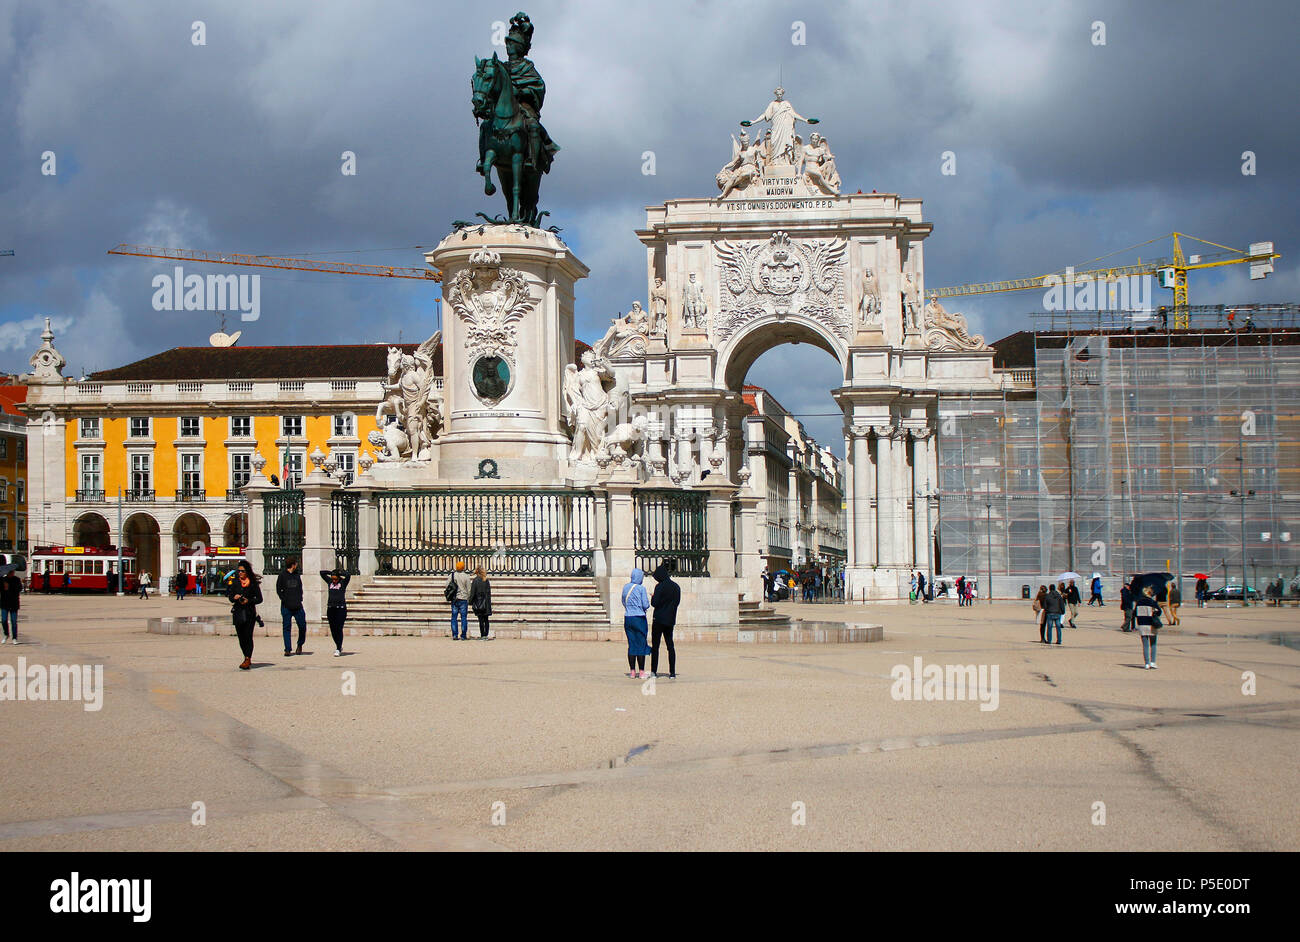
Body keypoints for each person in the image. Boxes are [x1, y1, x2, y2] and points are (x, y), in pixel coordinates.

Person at [226, 560, 263, 671]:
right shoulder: (236, 583)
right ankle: (246, 655)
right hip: (238, 612)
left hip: (249, 613)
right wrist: (235, 597)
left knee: (248, 636)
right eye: (239, 571)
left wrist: (249, 601)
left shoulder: (253, 583)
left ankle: (247, 658)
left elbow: (260, 599)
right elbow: (230, 597)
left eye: (242, 571)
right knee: (241, 637)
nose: (240, 573)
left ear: (247, 572)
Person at [650, 561, 680, 678]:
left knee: (655, 646)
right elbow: (677, 602)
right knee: (670, 646)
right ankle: (672, 672)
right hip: (670, 619)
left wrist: (653, 597)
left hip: (658, 619)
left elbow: (654, 603)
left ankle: (654, 671)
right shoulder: (676, 587)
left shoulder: (659, 587)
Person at [621, 568, 652, 679]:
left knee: (632, 644)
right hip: (639, 617)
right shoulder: (641, 588)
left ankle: (632, 671)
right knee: (641, 644)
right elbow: (645, 605)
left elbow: (623, 600)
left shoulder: (626, 587)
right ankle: (642, 671)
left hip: (628, 617)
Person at [276, 558, 307, 656]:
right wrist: (284, 599)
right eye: (296, 564)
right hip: (286, 606)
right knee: (286, 627)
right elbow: (278, 589)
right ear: (293, 565)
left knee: (302, 626)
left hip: (298, 606)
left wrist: (300, 598)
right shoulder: (282, 575)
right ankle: (287, 649)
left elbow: (300, 588)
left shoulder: (297, 575)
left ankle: (300, 644)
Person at [321, 568, 350, 656]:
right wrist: (331, 573)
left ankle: (338, 647)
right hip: (331, 608)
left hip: (340, 608)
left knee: (339, 628)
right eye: (333, 578)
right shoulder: (330, 582)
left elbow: (348, 575)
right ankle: (338, 645)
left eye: (335, 579)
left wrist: (339, 573)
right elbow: (322, 573)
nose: (334, 580)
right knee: (333, 630)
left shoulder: (343, 583)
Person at [1134, 585, 1162, 669]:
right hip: (1151, 625)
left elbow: (1134, 614)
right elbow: (1159, 612)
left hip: (1142, 624)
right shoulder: (1152, 602)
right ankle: (1153, 662)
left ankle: (1146, 663)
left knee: (1145, 645)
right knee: (1153, 644)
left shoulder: (1138, 602)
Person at [446, 560, 473, 640]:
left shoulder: (452, 575)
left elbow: (447, 585)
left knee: (454, 617)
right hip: (463, 599)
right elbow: (469, 589)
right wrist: (468, 598)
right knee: (464, 617)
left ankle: (455, 634)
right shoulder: (466, 576)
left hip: (454, 599)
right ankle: (463, 635)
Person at [468, 565, 492, 640]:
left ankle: (482, 635)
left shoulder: (475, 580)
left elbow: (473, 592)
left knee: (481, 620)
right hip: (486, 602)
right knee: (486, 620)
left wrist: (470, 601)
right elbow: (489, 593)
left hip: (478, 602)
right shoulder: (486, 580)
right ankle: (486, 634)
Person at [1, 569, 21, 644]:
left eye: (12, 572)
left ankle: (14, 638)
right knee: (3, 620)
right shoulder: (3, 579)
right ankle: (6, 634)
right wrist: (4, 588)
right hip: (4, 603)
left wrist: (10, 587)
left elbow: (19, 589)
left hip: (13, 603)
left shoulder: (17, 580)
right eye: (10, 572)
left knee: (13, 621)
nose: (11, 573)